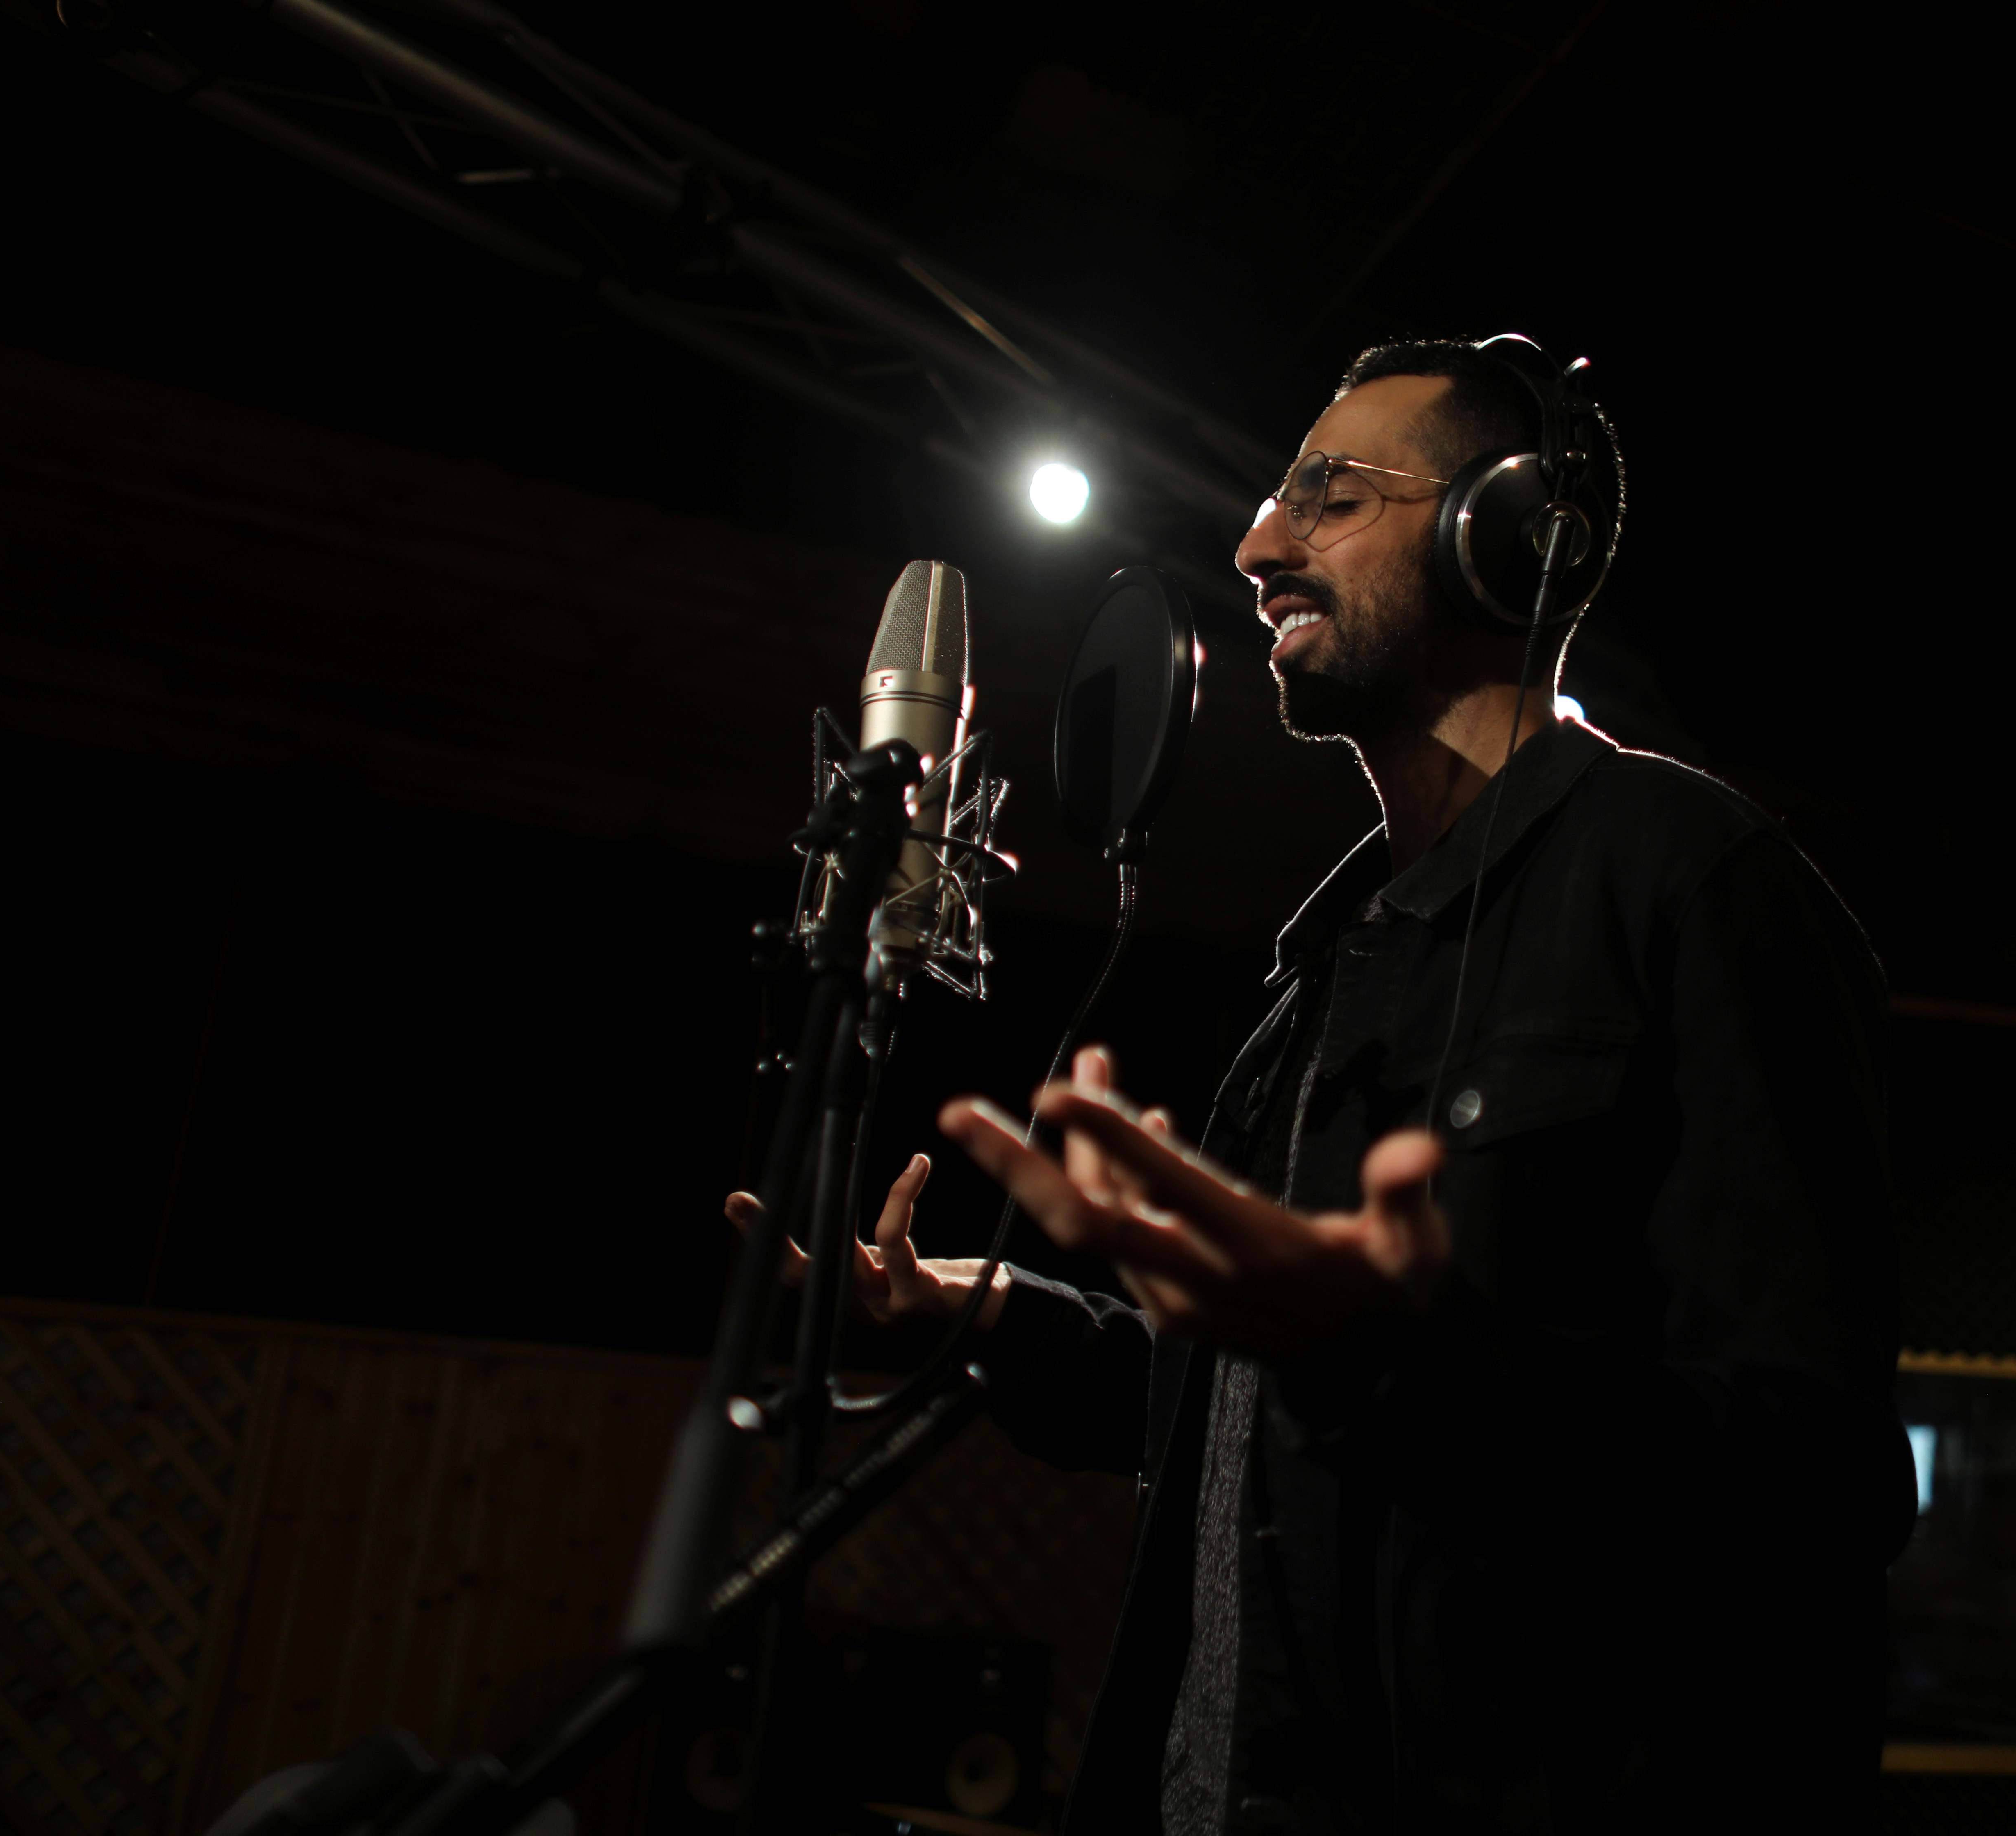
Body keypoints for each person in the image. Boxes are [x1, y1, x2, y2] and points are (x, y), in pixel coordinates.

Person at [734, 338, 1916, 1832]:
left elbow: (1819, 1475)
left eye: (1330, 497)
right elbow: (1243, 1415)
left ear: (1508, 536)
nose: (1254, 547)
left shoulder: (1697, 890)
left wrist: (1407, 1370)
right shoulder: (1326, 970)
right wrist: (986, 1318)